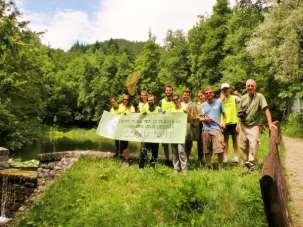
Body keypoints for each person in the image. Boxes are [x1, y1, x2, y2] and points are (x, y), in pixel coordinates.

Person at [238, 79, 276, 169]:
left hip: (254, 125)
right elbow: (239, 114)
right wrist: (238, 124)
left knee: (254, 143)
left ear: (255, 87)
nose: (250, 87)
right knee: (243, 145)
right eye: (248, 86)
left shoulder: (260, 96)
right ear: (246, 87)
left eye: (252, 86)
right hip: (243, 124)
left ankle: (251, 162)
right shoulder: (243, 98)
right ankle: (245, 163)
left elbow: (266, 109)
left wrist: (270, 123)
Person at [200, 87, 226, 169]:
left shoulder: (219, 102)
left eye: (210, 92)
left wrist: (223, 123)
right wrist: (204, 119)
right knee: (206, 150)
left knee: (220, 149)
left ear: (213, 93)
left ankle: (220, 167)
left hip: (216, 129)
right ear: (205, 95)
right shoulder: (202, 105)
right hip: (205, 130)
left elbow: (224, 115)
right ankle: (208, 166)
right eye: (206, 93)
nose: (208, 94)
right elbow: (200, 118)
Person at [220, 83, 240, 163]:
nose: (225, 90)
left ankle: (235, 156)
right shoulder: (220, 100)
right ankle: (225, 157)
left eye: (226, 88)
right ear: (222, 90)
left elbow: (244, 100)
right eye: (223, 89)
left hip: (234, 121)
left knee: (235, 139)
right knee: (225, 141)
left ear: (229, 89)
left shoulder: (234, 98)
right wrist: (221, 99)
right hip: (224, 122)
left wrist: (238, 94)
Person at [138, 95, 160, 168]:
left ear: (154, 101)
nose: (150, 101)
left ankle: (152, 165)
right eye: (149, 100)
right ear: (147, 101)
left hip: (155, 133)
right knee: (143, 150)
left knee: (155, 151)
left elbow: (164, 116)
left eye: (152, 100)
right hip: (145, 133)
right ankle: (141, 167)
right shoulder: (144, 108)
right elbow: (139, 116)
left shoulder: (159, 109)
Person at [159, 85, 175, 165]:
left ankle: (173, 159)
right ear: (165, 92)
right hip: (164, 126)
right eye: (167, 90)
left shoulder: (175, 101)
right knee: (165, 144)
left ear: (172, 91)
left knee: (173, 144)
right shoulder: (161, 101)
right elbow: (158, 112)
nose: (168, 92)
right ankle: (167, 159)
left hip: (173, 126)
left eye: (170, 90)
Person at [171, 94, 188, 172]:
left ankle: (184, 169)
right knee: (174, 152)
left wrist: (187, 113)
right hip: (173, 133)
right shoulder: (172, 110)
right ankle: (176, 168)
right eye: (174, 100)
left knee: (181, 151)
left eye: (176, 99)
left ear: (179, 99)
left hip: (181, 133)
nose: (175, 101)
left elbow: (190, 118)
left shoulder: (184, 109)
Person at [118, 94, 135, 166]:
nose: (125, 100)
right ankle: (123, 158)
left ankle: (126, 160)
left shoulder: (132, 107)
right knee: (121, 144)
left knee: (125, 144)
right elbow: (117, 115)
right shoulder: (120, 106)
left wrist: (127, 115)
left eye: (127, 99)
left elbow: (134, 117)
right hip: (120, 128)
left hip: (128, 128)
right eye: (124, 99)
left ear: (129, 100)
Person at [181, 88, 198, 160]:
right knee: (182, 143)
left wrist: (190, 115)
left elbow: (195, 115)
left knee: (189, 142)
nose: (185, 96)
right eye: (184, 95)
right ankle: (182, 158)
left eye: (187, 95)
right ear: (182, 95)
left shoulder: (193, 104)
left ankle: (187, 157)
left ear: (189, 96)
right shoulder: (180, 104)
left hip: (189, 125)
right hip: (181, 125)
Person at [196, 90, 206, 162]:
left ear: (204, 95)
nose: (200, 97)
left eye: (201, 95)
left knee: (207, 141)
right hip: (199, 124)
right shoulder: (197, 104)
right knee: (199, 141)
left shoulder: (208, 103)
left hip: (208, 124)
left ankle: (207, 157)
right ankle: (200, 157)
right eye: (199, 96)